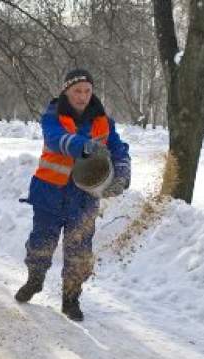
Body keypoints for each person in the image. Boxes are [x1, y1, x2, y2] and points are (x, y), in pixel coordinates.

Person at [14, 69, 131, 321]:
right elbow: (56, 139)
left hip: (84, 197)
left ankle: (71, 298)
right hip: (49, 193)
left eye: (87, 91)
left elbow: (118, 149)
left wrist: (122, 171)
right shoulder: (52, 115)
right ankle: (35, 279)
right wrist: (84, 146)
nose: (82, 96)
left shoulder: (103, 121)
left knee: (80, 250)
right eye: (77, 91)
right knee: (40, 244)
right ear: (66, 91)